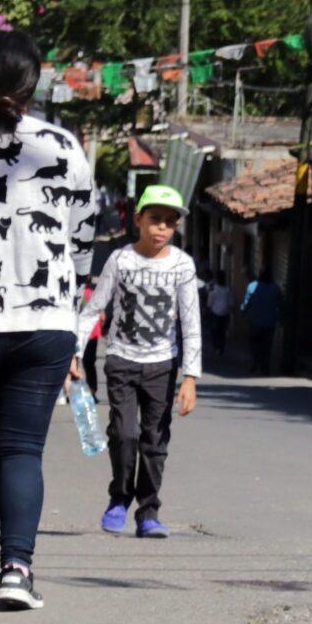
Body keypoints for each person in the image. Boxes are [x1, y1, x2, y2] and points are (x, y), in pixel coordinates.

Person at [0, 29, 98, 612]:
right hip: (46, 321)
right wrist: (71, 296)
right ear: (36, 82)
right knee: (21, 449)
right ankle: (16, 569)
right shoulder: (64, 145)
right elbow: (83, 239)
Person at [73, 185, 201, 540]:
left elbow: (191, 322)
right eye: (155, 219)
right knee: (124, 434)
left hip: (162, 365)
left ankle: (148, 511)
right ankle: (119, 498)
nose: (161, 228)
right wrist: (75, 352)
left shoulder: (182, 265)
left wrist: (190, 377)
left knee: (154, 440)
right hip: (122, 360)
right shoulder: (120, 260)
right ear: (138, 219)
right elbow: (94, 308)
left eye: (169, 222)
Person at [241, 265, 285, 375]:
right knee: (267, 346)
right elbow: (281, 305)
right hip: (269, 323)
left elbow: (247, 302)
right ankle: (265, 367)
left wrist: (243, 311)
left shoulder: (252, 286)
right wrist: (281, 318)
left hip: (255, 321)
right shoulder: (276, 288)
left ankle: (254, 362)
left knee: (254, 344)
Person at [204, 270, 233, 359]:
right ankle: (220, 348)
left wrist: (207, 312)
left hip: (215, 314)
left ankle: (217, 348)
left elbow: (209, 303)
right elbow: (230, 303)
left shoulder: (214, 289)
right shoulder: (227, 290)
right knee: (222, 332)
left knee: (215, 332)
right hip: (224, 314)